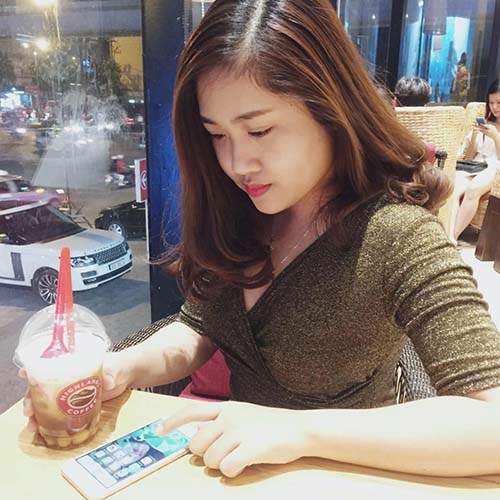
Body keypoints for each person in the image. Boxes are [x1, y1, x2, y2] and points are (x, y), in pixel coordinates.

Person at [22, 0, 500, 479]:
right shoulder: (244, 213)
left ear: (331, 109)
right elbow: (197, 329)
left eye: (259, 129)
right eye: (217, 135)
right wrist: (120, 367)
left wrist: (300, 430)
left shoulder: (396, 235)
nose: (236, 163)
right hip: (236, 476)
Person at [450, 79, 500, 242]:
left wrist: (495, 136)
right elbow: (469, 158)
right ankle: (447, 234)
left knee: (473, 190)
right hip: (475, 166)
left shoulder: (493, 130)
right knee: (453, 189)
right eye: (491, 102)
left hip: (495, 168)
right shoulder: (486, 124)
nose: (495, 107)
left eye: (499, 102)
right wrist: (474, 137)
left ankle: (452, 237)